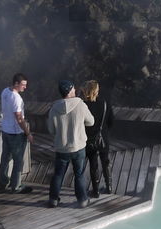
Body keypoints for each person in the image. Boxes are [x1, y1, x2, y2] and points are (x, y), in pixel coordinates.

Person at [48, 80, 93, 208]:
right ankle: (83, 200)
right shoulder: (81, 105)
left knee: (58, 174)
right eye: (73, 88)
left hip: (61, 148)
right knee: (79, 174)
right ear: (69, 91)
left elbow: (51, 130)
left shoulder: (53, 109)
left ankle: (53, 199)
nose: (75, 90)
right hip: (78, 147)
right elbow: (91, 121)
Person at [0, 73, 33, 194]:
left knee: (5, 158)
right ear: (16, 84)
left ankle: (3, 183)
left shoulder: (5, 91)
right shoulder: (16, 97)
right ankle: (16, 186)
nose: (25, 87)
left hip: (6, 130)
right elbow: (19, 118)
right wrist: (28, 133)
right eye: (23, 85)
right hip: (15, 133)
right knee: (18, 161)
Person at [81, 79, 113, 197]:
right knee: (106, 161)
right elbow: (111, 121)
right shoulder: (105, 103)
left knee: (93, 164)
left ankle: (96, 191)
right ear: (97, 90)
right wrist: (104, 132)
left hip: (89, 138)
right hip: (103, 137)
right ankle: (109, 187)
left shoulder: (83, 105)